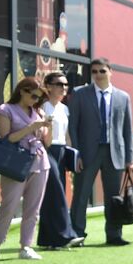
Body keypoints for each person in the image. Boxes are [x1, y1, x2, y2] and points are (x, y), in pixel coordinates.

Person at [68, 57, 133, 246]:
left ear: (110, 72)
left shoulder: (123, 97)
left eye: (102, 71)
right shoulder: (80, 94)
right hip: (88, 153)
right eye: (94, 71)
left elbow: (127, 131)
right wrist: (76, 153)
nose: (98, 75)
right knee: (81, 194)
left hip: (115, 154)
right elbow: (73, 127)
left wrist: (130, 159)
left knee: (113, 198)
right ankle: (77, 234)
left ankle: (114, 235)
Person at [0, 76, 52, 261]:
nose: (36, 101)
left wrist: (48, 126)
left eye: (39, 98)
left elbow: (46, 142)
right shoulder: (5, 110)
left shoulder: (38, 111)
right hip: (15, 164)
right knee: (8, 207)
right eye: (33, 96)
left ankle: (26, 246)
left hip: (40, 162)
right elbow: (7, 138)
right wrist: (31, 127)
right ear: (23, 91)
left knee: (33, 209)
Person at [37, 72, 83, 250]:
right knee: (56, 195)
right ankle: (66, 235)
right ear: (48, 86)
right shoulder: (42, 107)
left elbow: (66, 135)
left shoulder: (64, 108)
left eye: (65, 85)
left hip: (62, 152)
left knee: (54, 194)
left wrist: (74, 155)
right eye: (59, 84)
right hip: (46, 151)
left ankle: (49, 239)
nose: (63, 88)